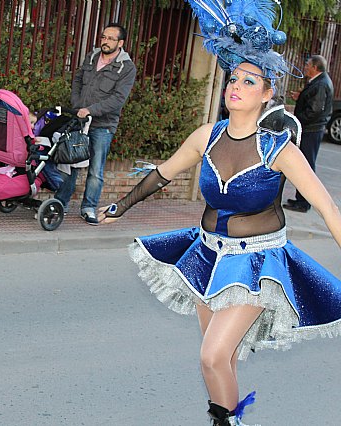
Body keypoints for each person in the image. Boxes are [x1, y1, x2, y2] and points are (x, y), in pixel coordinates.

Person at [98, 1, 341, 425]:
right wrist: (122, 205)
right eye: (234, 78)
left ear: (268, 94)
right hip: (208, 256)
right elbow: (163, 174)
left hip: (257, 263)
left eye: (251, 82)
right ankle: (226, 419)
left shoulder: (277, 149)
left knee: (211, 356)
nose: (237, 86)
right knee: (219, 357)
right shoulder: (206, 137)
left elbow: (325, 205)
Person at [55, 23, 136, 225]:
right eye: (103, 37)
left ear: (120, 43)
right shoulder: (91, 57)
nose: (105, 41)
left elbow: (118, 99)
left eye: (110, 38)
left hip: (103, 125)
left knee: (95, 169)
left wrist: (91, 110)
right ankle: (60, 204)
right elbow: (77, 80)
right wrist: (77, 104)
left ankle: (88, 207)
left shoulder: (126, 67)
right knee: (70, 162)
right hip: (79, 120)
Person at [283, 54, 334, 213]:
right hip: (311, 129)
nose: (305, 67)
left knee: (305, 167)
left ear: (315, 67)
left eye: (307, 65)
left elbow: (315, 111)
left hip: (311, 130)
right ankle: (301, 199)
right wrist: (301, 97)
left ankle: (303, 202)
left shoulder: (320, 84)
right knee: (304, 165)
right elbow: (313, 102)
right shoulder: (318, 81)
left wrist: (295, 121)